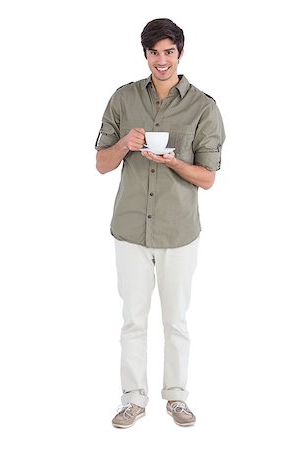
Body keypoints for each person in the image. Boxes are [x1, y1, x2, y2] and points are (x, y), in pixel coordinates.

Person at [95, 18, 225, 428]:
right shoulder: (123, 98)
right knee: (133, 318)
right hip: (130, 230)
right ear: (146, 54)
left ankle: (176, 397)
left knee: (175, 321)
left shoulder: (204, 107)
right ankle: (132, 399)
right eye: (154, 52)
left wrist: (174, 163)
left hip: (178, 231)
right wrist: (123, 144)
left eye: (169, 52)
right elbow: (101, 164)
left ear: (180, 54)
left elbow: (208, 178)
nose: (161, 60)